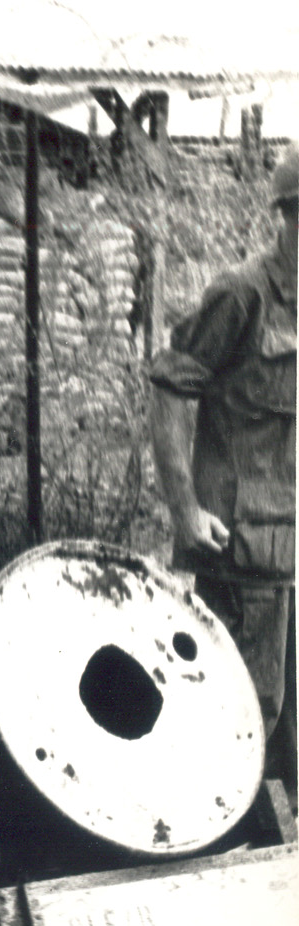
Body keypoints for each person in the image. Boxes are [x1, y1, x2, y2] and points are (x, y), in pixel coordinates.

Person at [149, 142, 297, 792]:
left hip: (287, 546)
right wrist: (184, 507)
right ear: (289, 215)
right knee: (241, 718)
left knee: (288, 726)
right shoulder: (242, 296)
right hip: (240, 549)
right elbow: (171, 387)